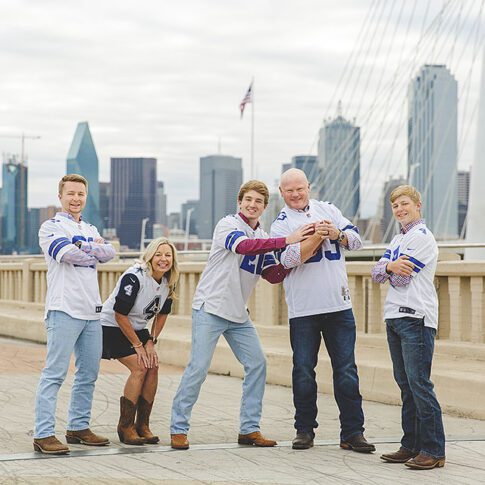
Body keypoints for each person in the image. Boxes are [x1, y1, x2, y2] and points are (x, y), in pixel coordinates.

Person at [170, 179, 321, 450]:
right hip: (211, 308)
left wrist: (302, 254)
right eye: (248, 200)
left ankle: (249, 429)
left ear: (264, 207)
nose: (253, 205)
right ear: (240, 202)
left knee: (258, 364)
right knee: (198, 368)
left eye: (259, 202)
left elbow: (272, 275)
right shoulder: (228, 224)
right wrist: (288, 240)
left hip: (238, 314)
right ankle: (178, 429)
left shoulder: (263, 236)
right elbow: (242, 247)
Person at [270, 168, 375, 452]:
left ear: (309, 187)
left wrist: (336, 233)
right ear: (281, 193)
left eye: (300, 188)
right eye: (289, 190)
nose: (295, 194)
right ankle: (304, 430)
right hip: (303, 310)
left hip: (339, 306)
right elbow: (289, 259)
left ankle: (353, 432)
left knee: (347, 371)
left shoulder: (328, 209)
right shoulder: (280, 225)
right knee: (304, 370)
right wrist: (316, 236)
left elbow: (356, 241)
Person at [33, 174, 116, 454]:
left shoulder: (91, 227)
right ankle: (43, 434)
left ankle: (78, 427)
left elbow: (111, 253)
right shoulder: (50, 227)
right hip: (63, 309)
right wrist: (92, 249)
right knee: (54, 374)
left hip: (92, 311)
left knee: (88, 374)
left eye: (81, 193)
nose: (76, 198)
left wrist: (85, 246)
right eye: (70, 193)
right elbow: (68, 254)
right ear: (60, 196)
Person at [372, 185, 445, 470]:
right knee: (405, 386)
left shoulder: (423, 238)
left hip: (417, 318)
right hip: (394, 317)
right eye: (395, 206)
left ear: (418, 205)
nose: (400, 210)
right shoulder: (397, 239)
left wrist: (387, 268)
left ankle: (434, 449)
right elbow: (377, 273)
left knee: (420, 385)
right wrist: (390, 266)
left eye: (404, 204)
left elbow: (400, 279)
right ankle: (411, 445)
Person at [100, 237, 178, 445]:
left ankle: (142, 424)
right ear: (150, 256)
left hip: (136, 327)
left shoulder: (169, 280)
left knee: (153, 365)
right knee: (140, 367)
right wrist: (138, 346)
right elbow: (119, 314)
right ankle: (125, 426)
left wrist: (151, 340)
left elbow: (162, 314)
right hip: (110, 327)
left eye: (168, 255)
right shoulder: (135, 277)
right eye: (158, 255)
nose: (163, 259)